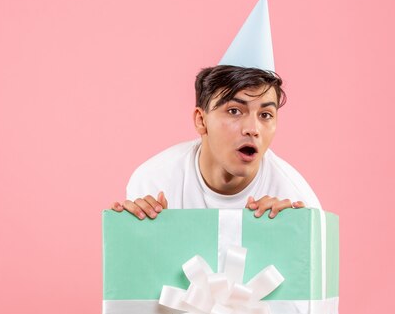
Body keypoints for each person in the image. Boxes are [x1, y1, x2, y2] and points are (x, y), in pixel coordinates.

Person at [110, 64, 321, 220]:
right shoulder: (154, 182)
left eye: (265, 115)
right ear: (201, 120)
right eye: (234, 111)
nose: (253, 129)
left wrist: (294, 236)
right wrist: (138, 234)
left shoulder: (294, 198)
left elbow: (315, 277)